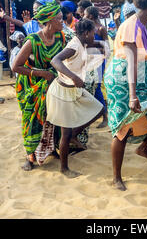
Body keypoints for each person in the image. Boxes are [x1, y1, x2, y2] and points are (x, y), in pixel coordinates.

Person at [104, 0, 147, 191]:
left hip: (141, 74)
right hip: (123, 78)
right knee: (124, 126)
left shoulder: (146, 23)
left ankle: (144, 148)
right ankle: (116, 178)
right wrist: (132, 97)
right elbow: (130, 62)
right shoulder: (131, 26)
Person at [46, 19, 104, 178]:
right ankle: (64, 168)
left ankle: (74, 135)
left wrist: (101, 44)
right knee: (65, 133)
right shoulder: (74, 45)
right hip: (62, 92)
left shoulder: (82, 43)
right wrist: (74, 78)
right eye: (93, 33)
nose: (94, 35)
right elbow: (55, 60)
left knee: (100, 109)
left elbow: (94, 46)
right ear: (86, 33)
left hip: (73, 91)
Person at [12, 0, 65, 171]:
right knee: (32, 120)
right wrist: (42, 74)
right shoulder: (33, 41)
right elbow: (16, 67)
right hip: (31, 85)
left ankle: (50, 148)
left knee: (53, 116)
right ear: (49, 21)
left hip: (52, 83)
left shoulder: (60, 37)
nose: (62, 22)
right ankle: (30, 155)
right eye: (59, 19)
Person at [84, 6, 110, 128]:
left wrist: (93, 49)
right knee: (90, 87)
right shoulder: (88, 28)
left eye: (84, 14)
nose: (82, 17)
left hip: (98, 61)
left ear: (91, 16)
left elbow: (107, 48)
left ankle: (105, 116)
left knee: (97, 87)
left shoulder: (101, 29)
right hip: (88, 61)